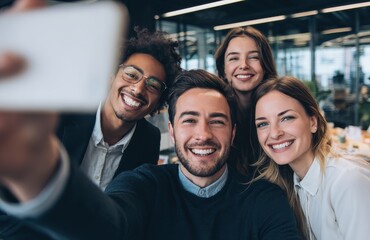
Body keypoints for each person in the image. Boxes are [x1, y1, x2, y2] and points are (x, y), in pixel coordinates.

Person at [0, 69, 300, 239]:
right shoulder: (144, 186)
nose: (203, 134)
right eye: (189, 120)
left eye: (217, 121)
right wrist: (37, 168)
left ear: (233, 133)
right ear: (172, 129)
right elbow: (105, 226)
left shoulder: (262, 199)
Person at [251, 76, 370, 240]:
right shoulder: (293, 183)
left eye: (286, 118)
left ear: (313, 122)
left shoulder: (349, 180)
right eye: (263, 124)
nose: (275, 133)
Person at [57, 26, 182, 191]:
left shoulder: (149, 139)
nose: (138, 89)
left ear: (159, 101)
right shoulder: (65, 115)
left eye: (153, 85)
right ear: (111, 77)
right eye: (131, 74)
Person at [214, 26, 277, 175]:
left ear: (265, 65)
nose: (243, 65)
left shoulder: (280, 108)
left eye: (254, 57)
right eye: (234, 58)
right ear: (223, 68)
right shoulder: (214, 112)